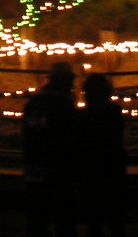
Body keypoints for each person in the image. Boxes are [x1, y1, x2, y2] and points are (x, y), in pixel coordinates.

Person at [23, 61, 78, 236]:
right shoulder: (63, 104)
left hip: (37, 165)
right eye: (70, 80)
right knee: (62, 218)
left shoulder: (36, 102)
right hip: (58, 168)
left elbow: (29, 132)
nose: (72, 85)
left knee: (38, 218)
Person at [76, 73, 125, 237]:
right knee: (114, 216)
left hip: (91, 169)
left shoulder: (83, 116)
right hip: (111, 167)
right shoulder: (114, 112)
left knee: (94, 218)